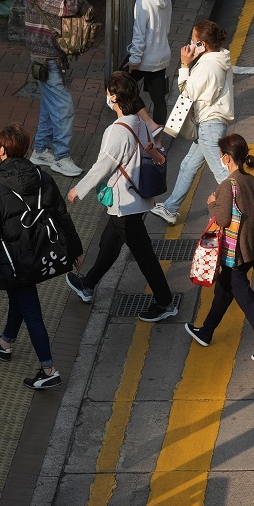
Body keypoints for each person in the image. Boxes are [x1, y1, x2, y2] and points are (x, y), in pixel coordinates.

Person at [0, 123, 83, 390]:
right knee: (19, 297)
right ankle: (5, 343)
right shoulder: (41, 176)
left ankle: (48, 369)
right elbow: (61, 214)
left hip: (13, 259)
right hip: (39, 251)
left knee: (32, 310)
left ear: (1, 150)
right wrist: (75, 248)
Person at [66, 72, 177, 323]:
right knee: (109, 242)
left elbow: (101, 167)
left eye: (108, 93)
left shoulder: (117, 131)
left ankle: (165, 301)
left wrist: (77, 190)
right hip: (135, 199)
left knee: (144, 255)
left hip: (125, 203)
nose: (106, 96)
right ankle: (88, 284)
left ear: (114, 97)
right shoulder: (139, 122)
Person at [184, 134, 254, 361]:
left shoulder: (228, 186)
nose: (220, 158)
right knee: (223, 292)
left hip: (234, 256)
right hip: (251, 252)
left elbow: (222, 219)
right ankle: (206, 331)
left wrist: (211, 204)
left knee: (247, 300)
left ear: (227, 158)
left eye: (221, 155)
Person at [151, 20, 234, 224]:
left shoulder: (208, 66)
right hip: (210, 124)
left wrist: (184, 65)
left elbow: (186, 93)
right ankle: (170, 208)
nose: (189, 43)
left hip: (209, 126)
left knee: (222, 174)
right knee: (188, 165)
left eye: (193, 40)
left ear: (202, 45)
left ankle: (241, 212)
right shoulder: (219, 58)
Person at [24, 0, 87, 178]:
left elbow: (76, 3)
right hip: (45, 56)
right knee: (64, 107)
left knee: (50, 107)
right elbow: (67, 8)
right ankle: (61, 157)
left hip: (52, 56)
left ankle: (40, 150)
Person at [126, 0, 176, 124]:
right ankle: (158, 141)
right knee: (159, 99)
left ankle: (147, 123)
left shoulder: (144, 0)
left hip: (145, 57)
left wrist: (134, 60)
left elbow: (139, 34)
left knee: (119, 86)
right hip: (162, 55)